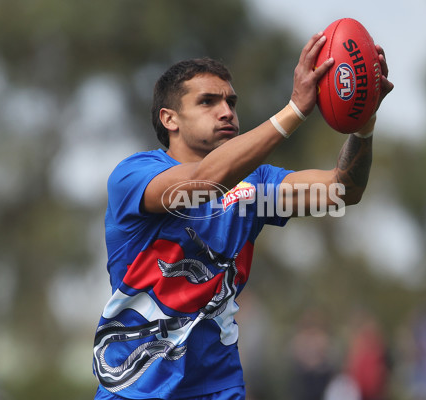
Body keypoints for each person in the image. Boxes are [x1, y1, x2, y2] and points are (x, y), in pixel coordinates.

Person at [93, 31, 393, 400]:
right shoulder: (133, 177)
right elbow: (203, 181)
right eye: (208, 102)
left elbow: (342, 191)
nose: (227, 111)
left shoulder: (254, 191)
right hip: (135, 388)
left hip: (220, 389)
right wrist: (296, 109)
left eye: (231, 102)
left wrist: (365, 122)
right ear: (169, 119)